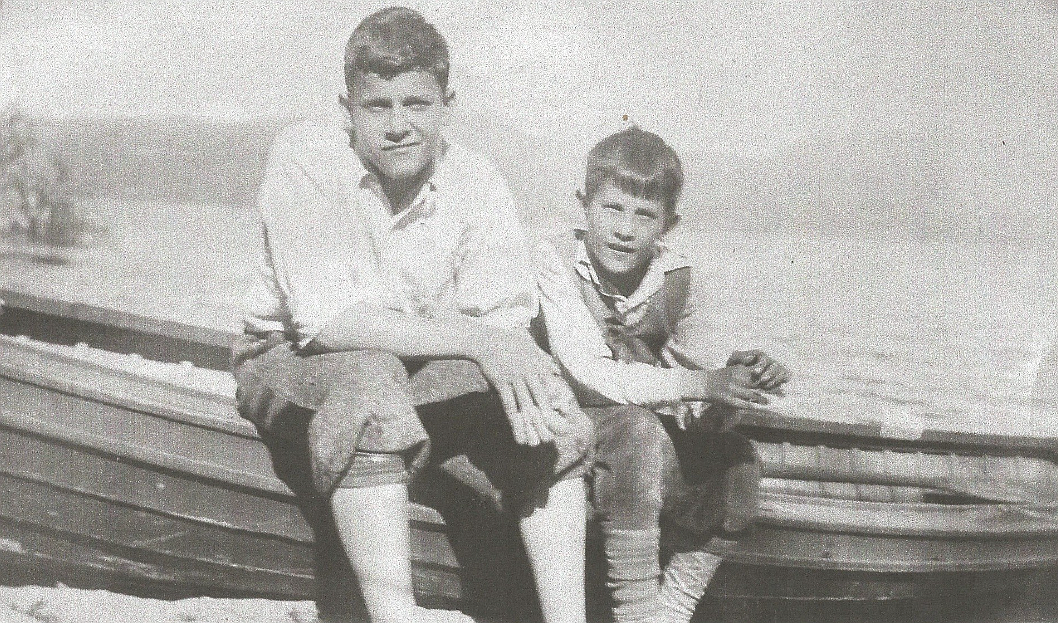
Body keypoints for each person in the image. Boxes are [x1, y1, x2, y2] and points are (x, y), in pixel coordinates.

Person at [232, 8, 592, 623]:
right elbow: (327, 324)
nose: (400, 126)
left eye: (417, 104)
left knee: (548, 407)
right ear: (347, 110)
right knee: (369, 378)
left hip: (423, 365)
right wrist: (478, 340)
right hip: (290, 360)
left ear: (447, 103)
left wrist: (512, 362)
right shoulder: (306, 161)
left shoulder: (476, 180)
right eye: (378, 107)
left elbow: (501, 318)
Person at [535, 127, 790, 623]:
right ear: (582, 206)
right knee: (637, 430)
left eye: (644, 214)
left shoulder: (680, 282)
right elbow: (590, 374)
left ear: (668, 225)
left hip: (633, 447)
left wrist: (738, 383)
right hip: (561, 432)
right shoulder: (556, 262)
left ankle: (671, 610)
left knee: (737, 460)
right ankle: (636, 610)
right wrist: (700, 383)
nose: (624, 229)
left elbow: (701, 406)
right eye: (611, 208)